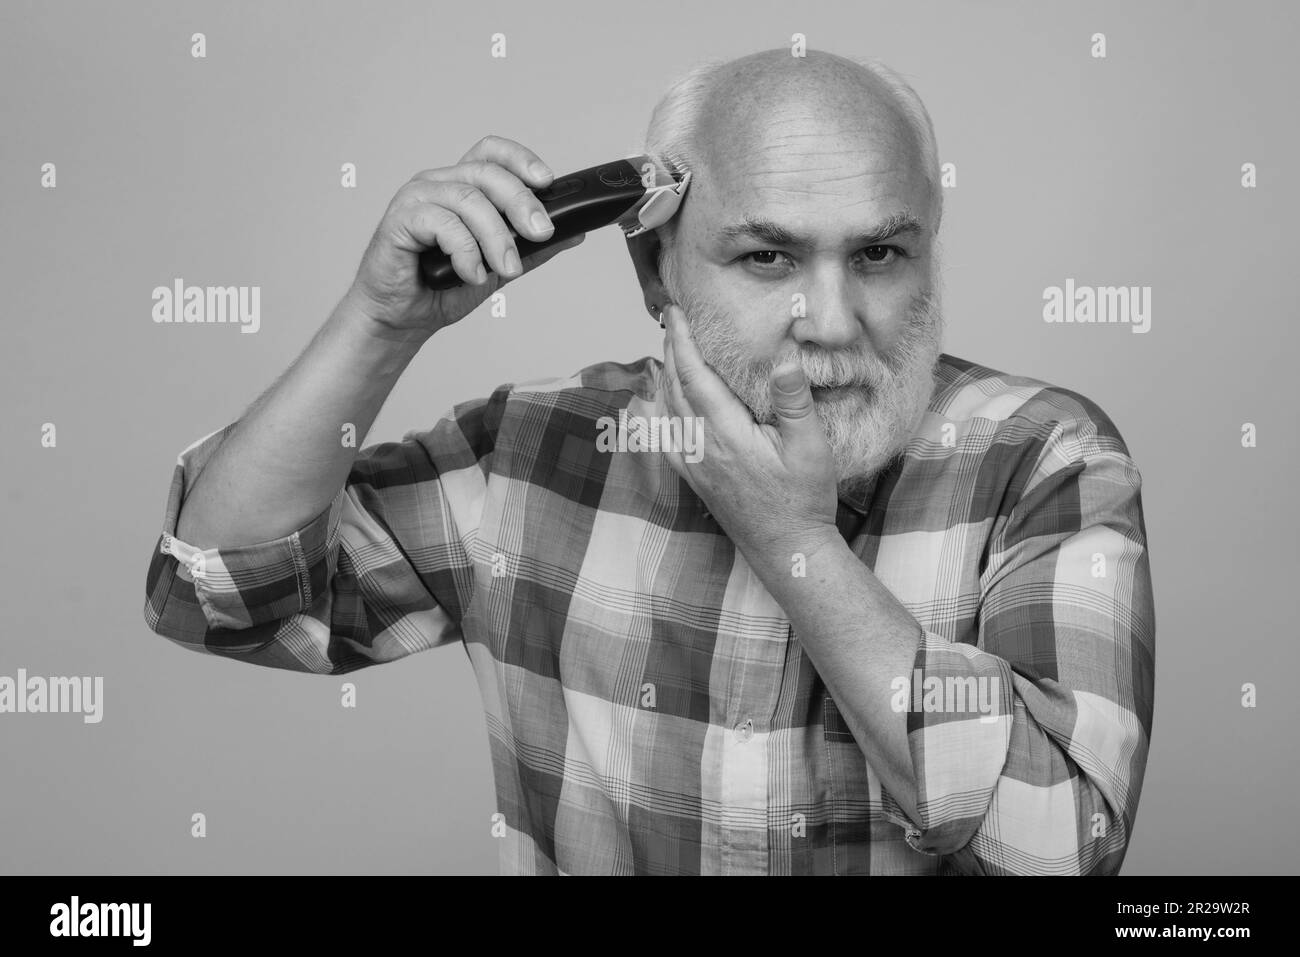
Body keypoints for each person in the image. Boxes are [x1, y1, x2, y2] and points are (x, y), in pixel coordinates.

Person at [142, 48, 1155, 875]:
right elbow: (218, 594)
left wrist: (791, 539)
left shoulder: (1041, 459)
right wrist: (379, 324)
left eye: (880, 255)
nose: (835, 323)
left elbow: (1061, 848)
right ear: (654, 268)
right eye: (767, 257)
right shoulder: (537, 452)